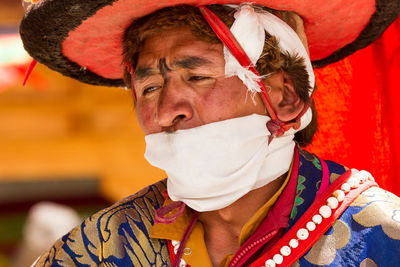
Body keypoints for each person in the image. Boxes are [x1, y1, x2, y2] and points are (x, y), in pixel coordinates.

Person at [19, 1, 400, 266]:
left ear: (286, 97)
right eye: (149, 88)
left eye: (198, 77)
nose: (167, 111)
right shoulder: (95, 251)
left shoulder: (387, 239)